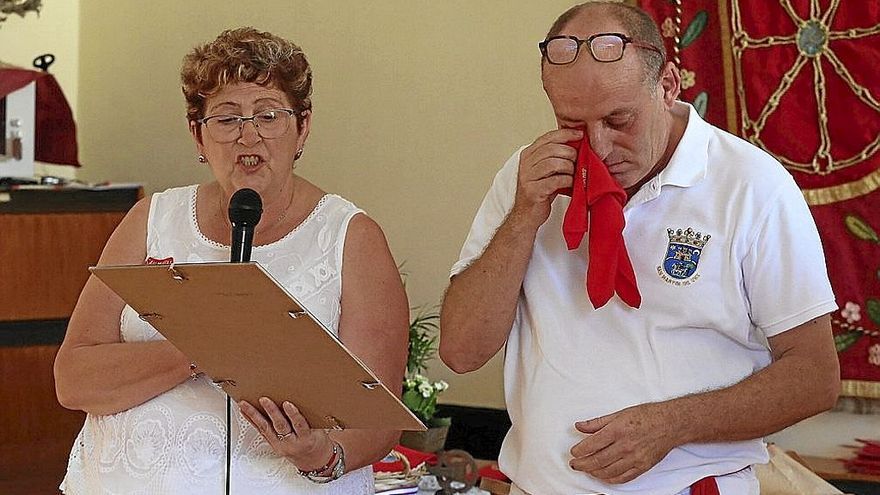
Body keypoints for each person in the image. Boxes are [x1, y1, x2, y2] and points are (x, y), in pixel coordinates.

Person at [439, 3, 840, 495]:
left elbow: (815, 376)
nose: (599, 146)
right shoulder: (528, 176)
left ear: (668, 84)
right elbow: (460, 351)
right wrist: (524, 215)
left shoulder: (751, 185)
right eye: (572, 122)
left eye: (619, 119)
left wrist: (672, 424)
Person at [54, 27, 409, 494]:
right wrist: (198, 349)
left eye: (268, 115)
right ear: (197, 135)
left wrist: (320, 455)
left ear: (302, 127)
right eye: (226, 118)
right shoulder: (150, 219)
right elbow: (73, 380)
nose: (249, 136)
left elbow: (377, 420)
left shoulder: (351, 237)